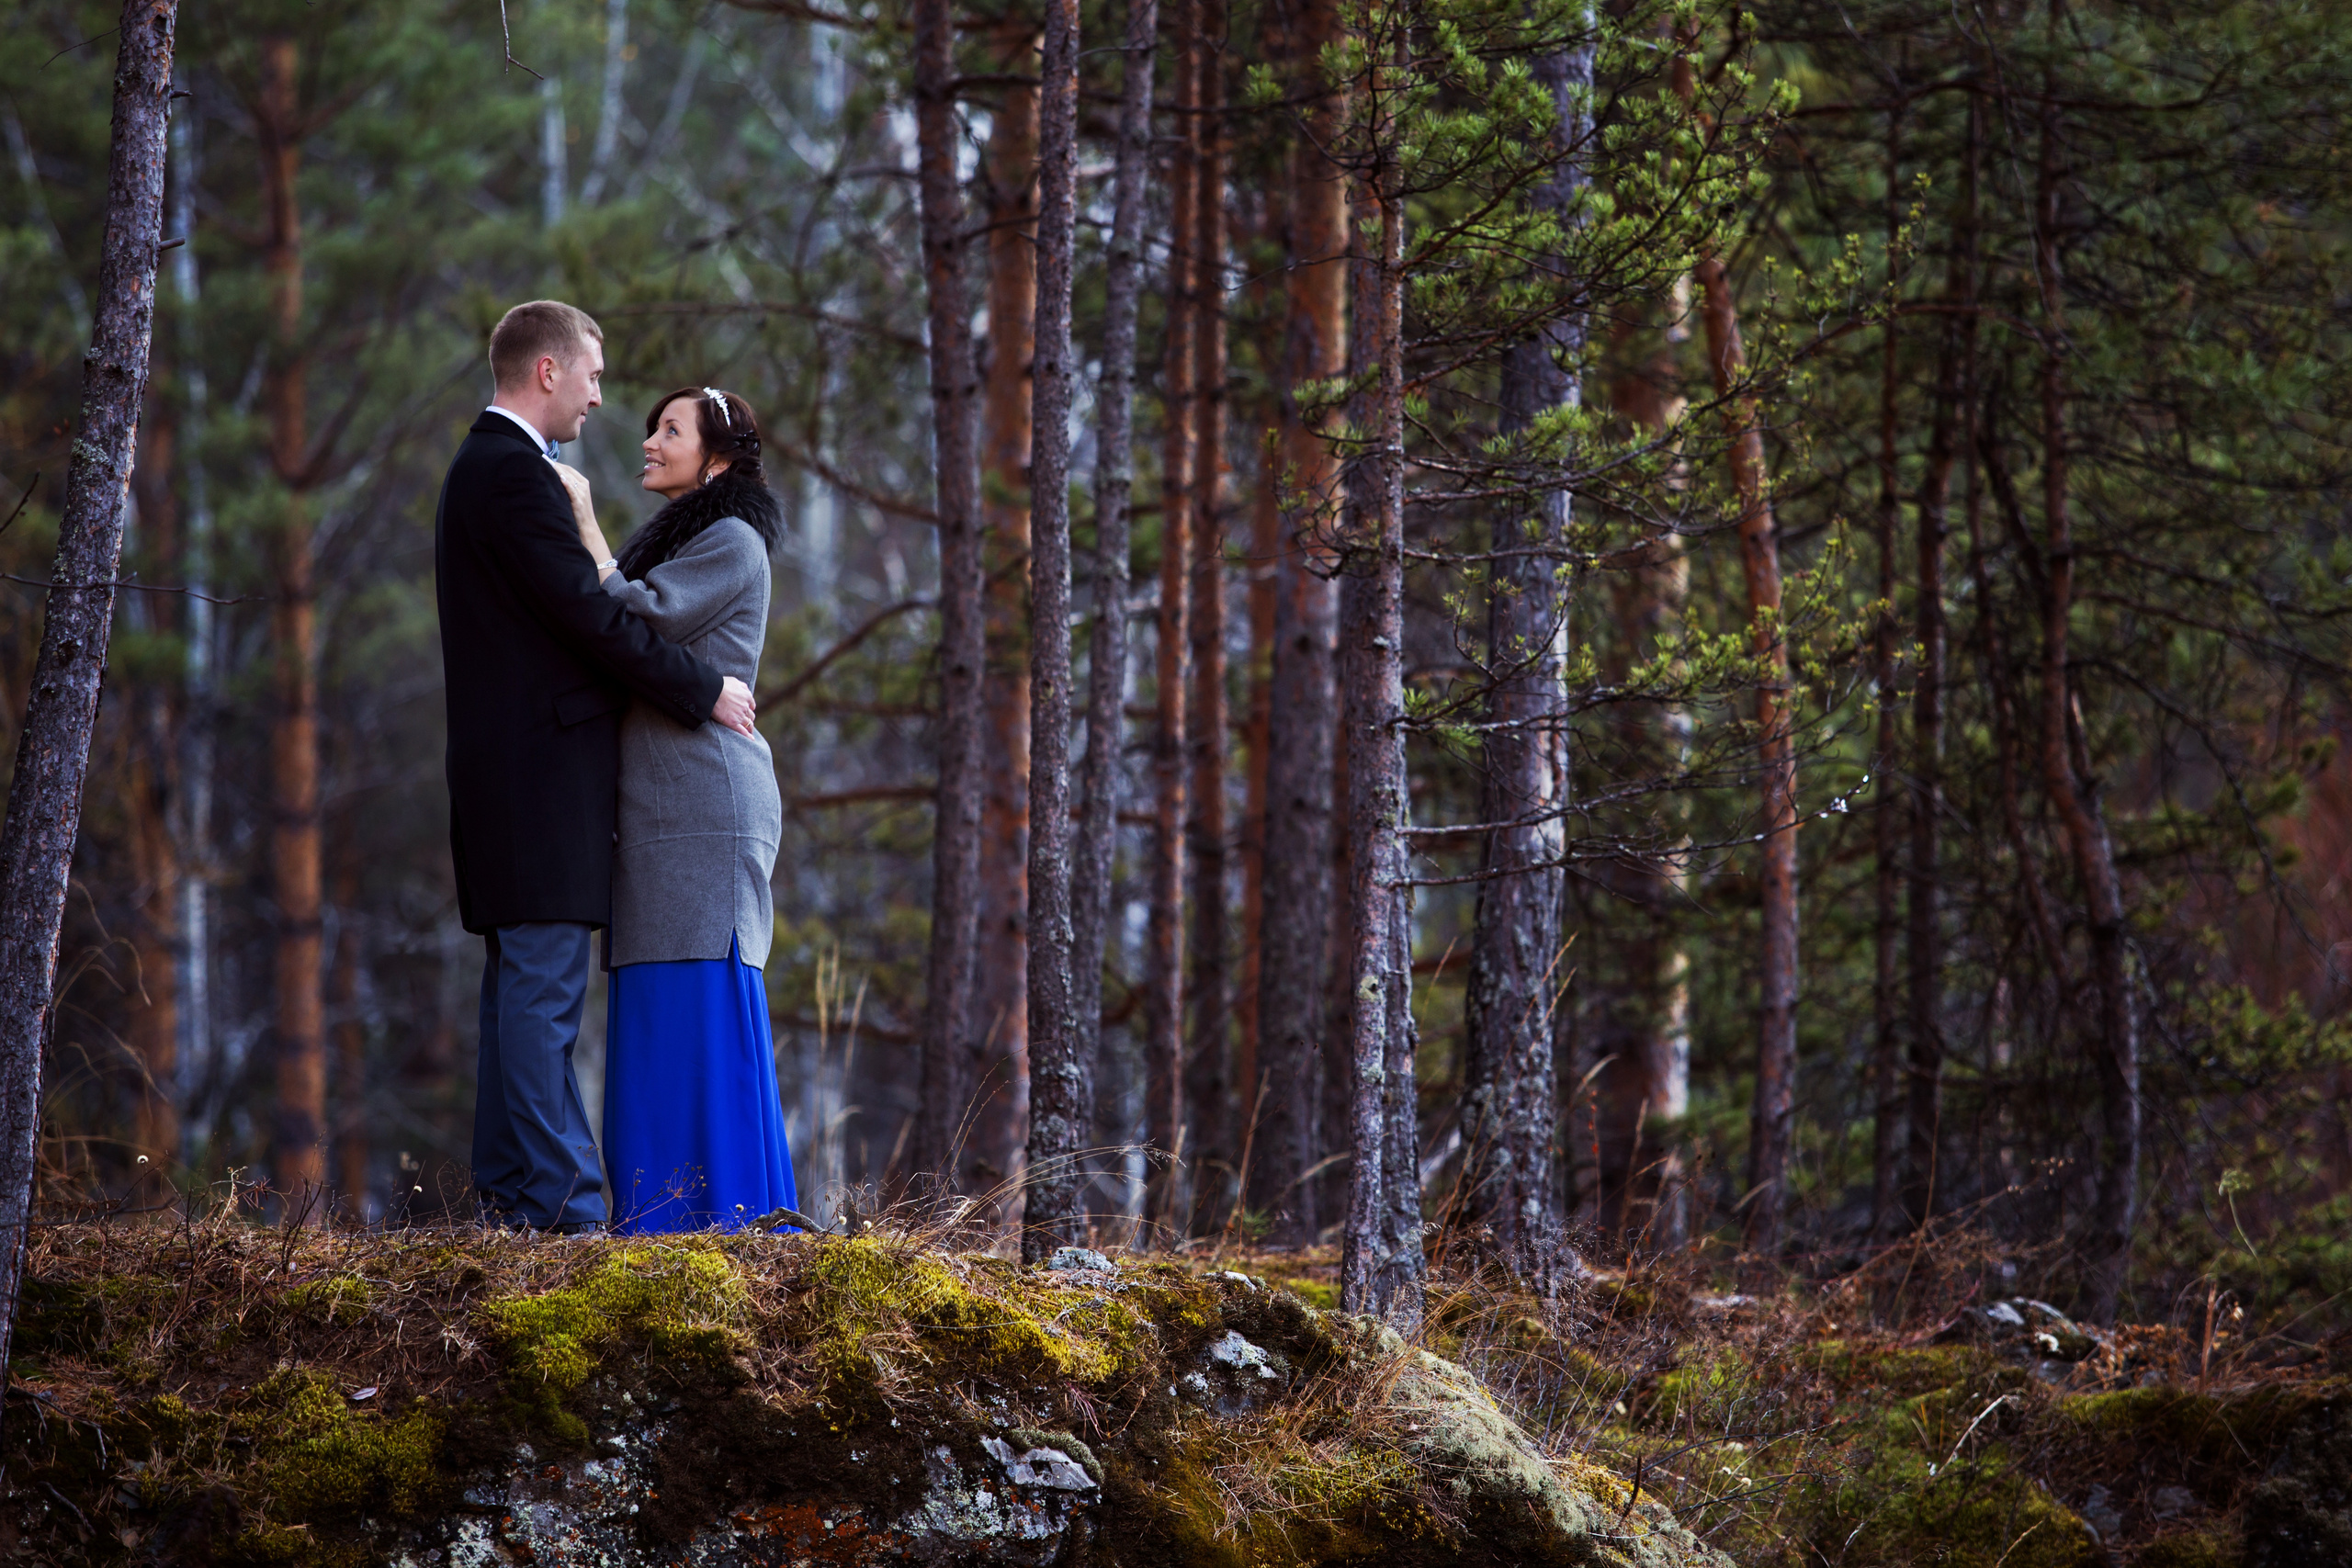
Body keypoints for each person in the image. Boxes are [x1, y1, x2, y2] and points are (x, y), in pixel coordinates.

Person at [435, 301, 759, 1234]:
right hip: (539, 783)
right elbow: (596, 620)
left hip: (509, 779)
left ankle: (510, 1203)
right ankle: (569, 1214)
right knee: (541, 1004)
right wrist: (704, 690)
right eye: (593, 374)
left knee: (518, 998)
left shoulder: (484, 472)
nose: (601, 395)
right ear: (547, 372)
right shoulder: (514, 477)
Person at [552, 386, 797, 1234]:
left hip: (705, 802)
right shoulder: (704, 535)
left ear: (717, 457)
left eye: (671, 431)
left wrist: (582, 520)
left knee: (695, 999)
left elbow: (634, 618)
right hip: (668, 805)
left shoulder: (729, 540)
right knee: (662, 1007)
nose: (651, 443)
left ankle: (721, 1224)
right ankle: (673, 1224)